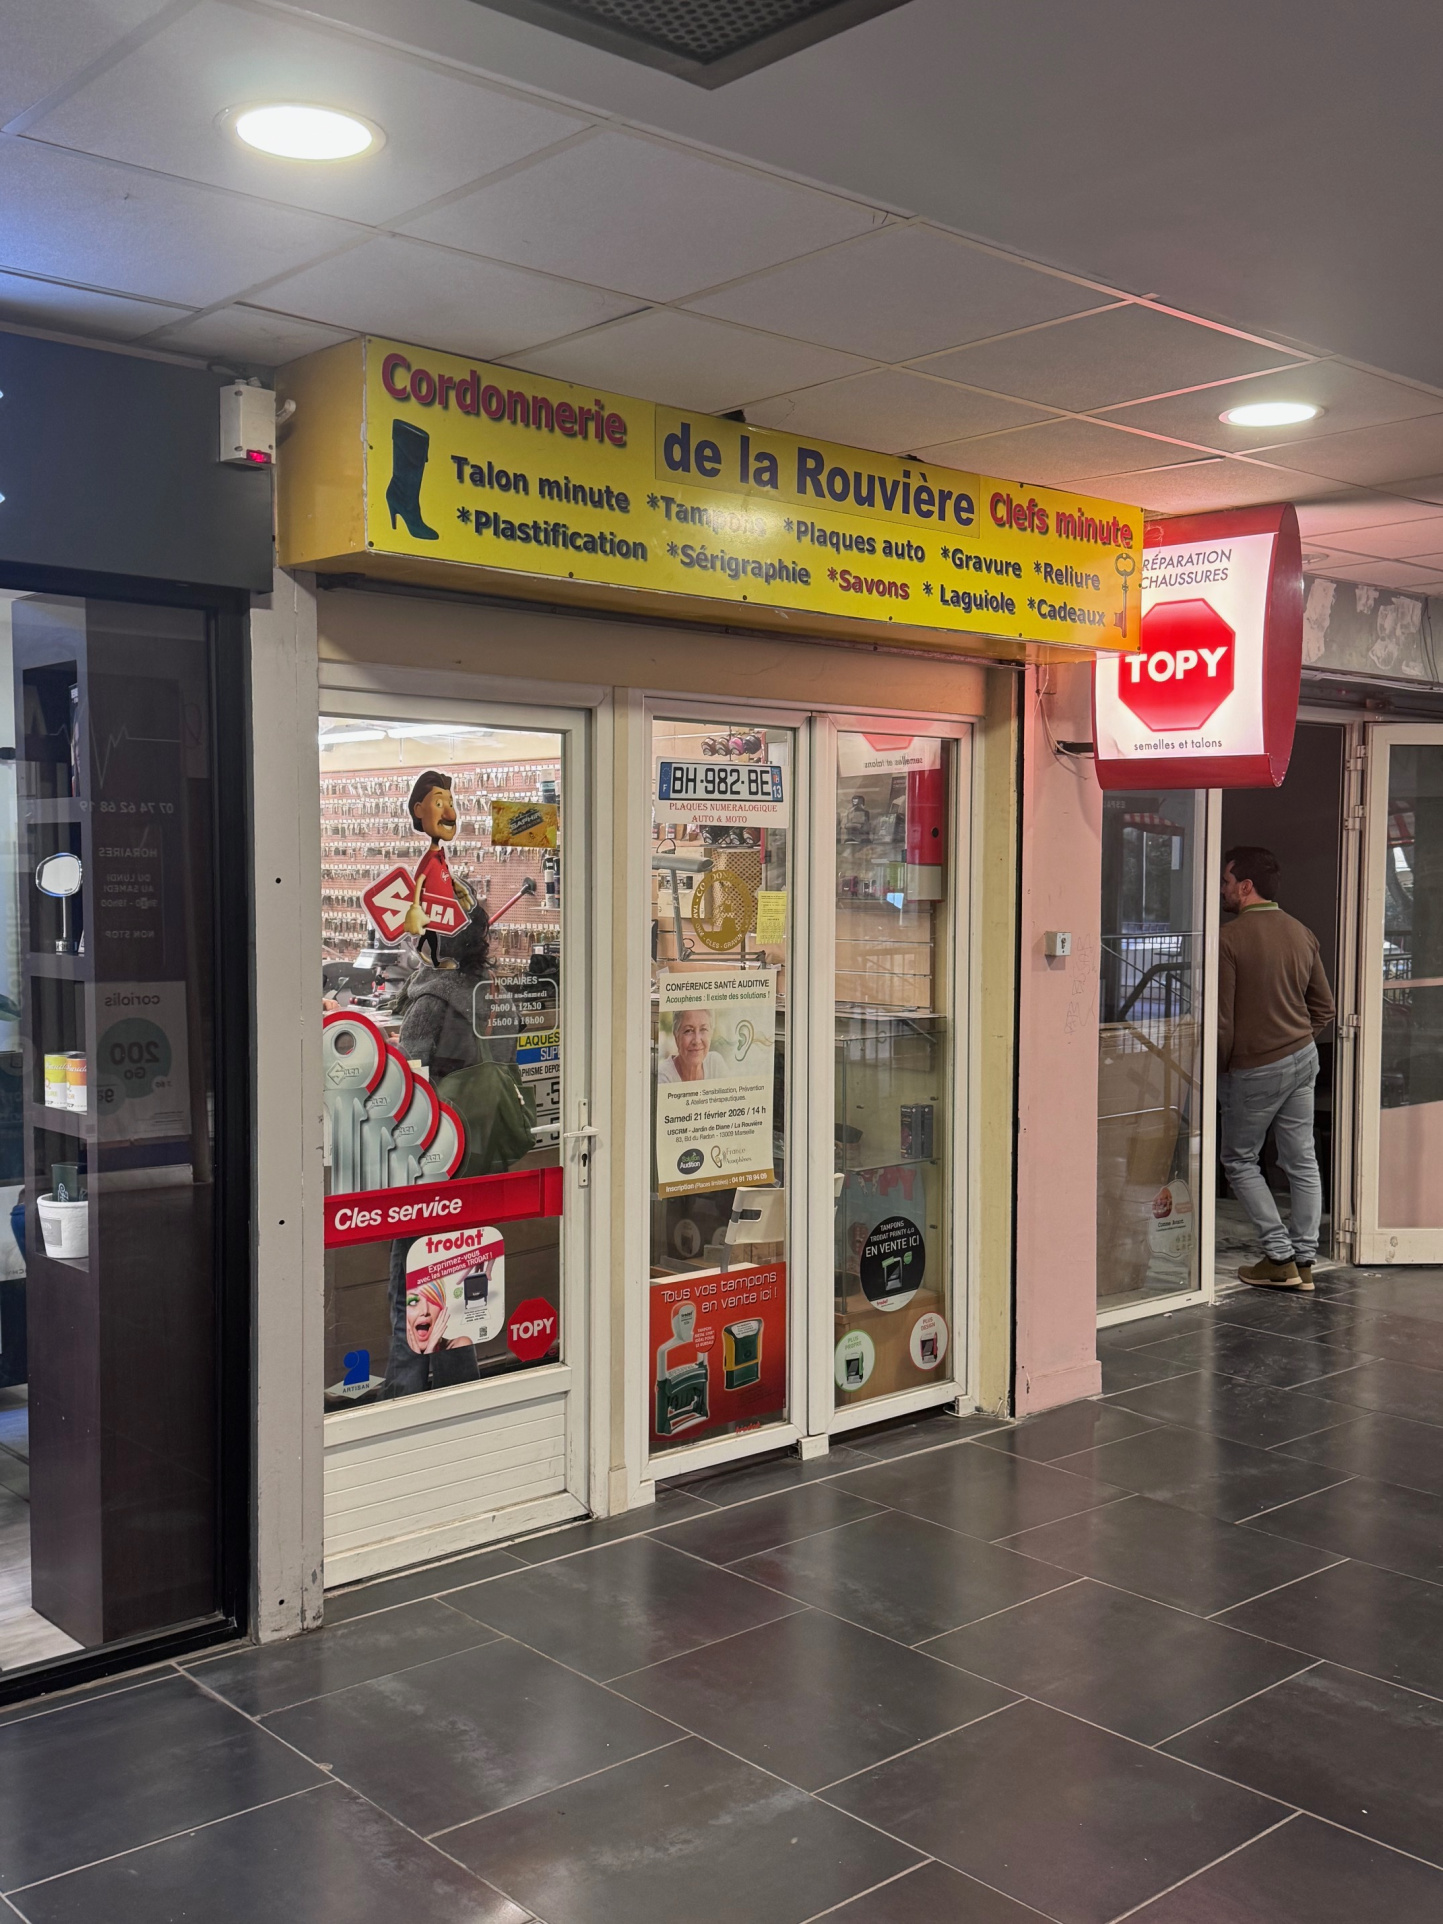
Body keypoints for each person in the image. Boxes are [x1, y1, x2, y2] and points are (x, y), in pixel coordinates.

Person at [1218, 845, 1335, 1291]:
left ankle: (1279, 1257)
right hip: (1303, 1058)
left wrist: (1220, 1070)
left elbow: (1224, 1021)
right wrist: (1296, 1036)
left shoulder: (1229, 938)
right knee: (1301, 1160)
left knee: (1239, 1159)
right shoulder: (1301, 932)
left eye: (1226, 882)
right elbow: (1324, 1007)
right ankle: (1304, 1262)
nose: (1222, 890)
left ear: (1246, 886)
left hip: (1255, 1067)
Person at [659, 1007, 727, 1083]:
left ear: (711, 1034)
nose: (697, 1041)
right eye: (688, 1031)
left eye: (703, 1029)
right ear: (676, 1036)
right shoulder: (663, 1077)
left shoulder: (715, 1064)